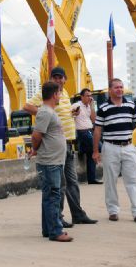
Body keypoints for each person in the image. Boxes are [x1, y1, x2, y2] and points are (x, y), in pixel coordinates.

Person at [24, 67, 97, 227]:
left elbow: (62, 114)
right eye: (54, 77)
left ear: (65, 79)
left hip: (69, 144)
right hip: (56, 146)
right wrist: (45, 112)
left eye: (60, 77)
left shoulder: (64, 94)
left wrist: (72, 113)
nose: (57, 80)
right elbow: (27, 106)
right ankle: (58, 217)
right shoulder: (48, 95)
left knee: (72, 182)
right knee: (59, 185)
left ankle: (77, 214)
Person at [93, 78, 136, 223]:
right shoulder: (103, 109)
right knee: (110, 181)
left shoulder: (131, 106)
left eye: (121, 87)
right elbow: (97, 131)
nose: (119, 90)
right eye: (116, 87)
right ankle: (113, 211)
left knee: (133, 180)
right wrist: (95, 151)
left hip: (128, 147)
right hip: (110, 147)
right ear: (110, 90)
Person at [30, 81, 72, 242]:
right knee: (54, 195)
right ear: (55, 94)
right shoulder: (45, 112)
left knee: (49, 195)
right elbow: (36, 135)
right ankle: (55, 231)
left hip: (53, 161)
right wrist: (34, 148)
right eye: (59, 93)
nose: (60, 96)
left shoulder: (49, 112)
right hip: (49, 162)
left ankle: (48, 229)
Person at [72, 88, 101, 184]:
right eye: (87, 95)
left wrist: (92, 106)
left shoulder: (89, 106)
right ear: (82, 97)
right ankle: (82, 149)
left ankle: (91, 179)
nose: (90, 97)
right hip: (82, 132)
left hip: (89, 130)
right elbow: (71, 115)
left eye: (90, 95)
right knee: (100, 147)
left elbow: (94, 120)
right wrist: (75, 113)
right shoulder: (77, 105)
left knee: (91, 154)